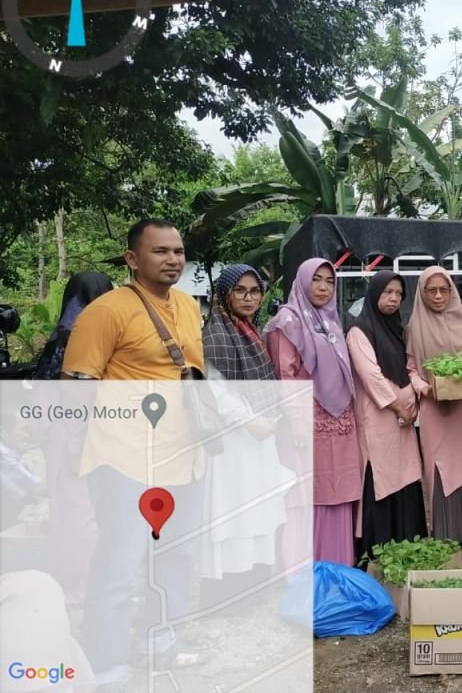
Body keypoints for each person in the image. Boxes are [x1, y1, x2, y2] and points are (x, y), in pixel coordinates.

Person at [61, 219, 205, 690]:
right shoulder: (105, 312)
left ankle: (158, 642)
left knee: (174, 559)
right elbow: (75, 388)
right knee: (120, 563)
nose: (173, 260)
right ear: (132, 259)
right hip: (123, 458)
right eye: (160, 251)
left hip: (182, 456)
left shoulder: (189, 306)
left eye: (178, 251)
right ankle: (105, 662)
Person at [199, 264, 289, 600]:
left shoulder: (251, 332)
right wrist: (249, 421)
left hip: (260, 436)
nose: (249, 298)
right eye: (240, 290)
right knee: (232, 511)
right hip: (233, 441)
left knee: (256, 510)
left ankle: (253, 585)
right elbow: (216, 392)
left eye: (255, 291)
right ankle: (226, 591)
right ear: (224, 295)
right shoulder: (215, 336)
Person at [265, 258, 361, 567]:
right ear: (303, 281)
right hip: (306, 425)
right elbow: (286, 375)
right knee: (307, 496)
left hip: (340, 424)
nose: (323, 287)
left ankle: (337, 568)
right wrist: (297, 422)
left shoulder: (330, 322)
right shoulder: (288, 322)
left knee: (338, 492)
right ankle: (304, 573)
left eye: (329, 281)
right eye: (316, 279)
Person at [33, 271, 114, 608]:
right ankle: (84, 586)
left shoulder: (59, 338)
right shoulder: (90, 338)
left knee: (67, 511)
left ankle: (69, 583)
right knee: (86, 514)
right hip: (81, 438)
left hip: (60, 436)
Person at [405, 265, 462, 550]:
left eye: (444, 290)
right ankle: (447, 536)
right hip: (436, 408)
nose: (439, 296)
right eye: (431, 290)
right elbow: (411, 368)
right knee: (441, 468)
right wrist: (423, 388)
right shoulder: (415, 326)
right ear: (422, 293)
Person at [347, 270, 427, 557]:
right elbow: (371, 375)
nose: (393, 298)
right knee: (381, 476)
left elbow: (407, 369)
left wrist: (413, 403)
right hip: (378, 418)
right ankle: (378, 548)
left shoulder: (396, 329)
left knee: (405, 474)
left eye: (398, 294)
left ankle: (406, 542)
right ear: (374, 294)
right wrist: (397, 406)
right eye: (387, 292)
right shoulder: (359, 331)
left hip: (402, 420)